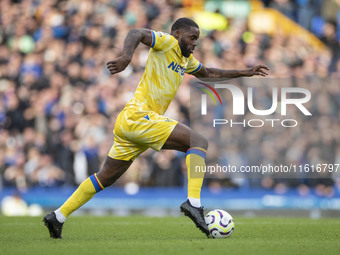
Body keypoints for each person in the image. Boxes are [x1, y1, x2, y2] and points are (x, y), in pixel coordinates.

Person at [43, 17, 269, 238]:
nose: (195, 43)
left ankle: (58, 216)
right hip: (140, 116)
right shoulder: (167, 42)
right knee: (198, 142)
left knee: (106, 177)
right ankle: (194, 203)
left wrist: (244, 72)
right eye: (192, 37)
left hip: (133, 123)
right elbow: (136, 33)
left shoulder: (185, 61)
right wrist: (126, 56)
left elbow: (208, 73)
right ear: (178, 34)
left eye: (197, 39)